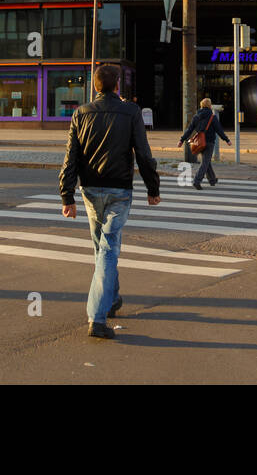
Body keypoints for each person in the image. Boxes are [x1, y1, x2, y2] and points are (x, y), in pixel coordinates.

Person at [59, 64, 161, 339]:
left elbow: (71, 157)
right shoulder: (131, 112)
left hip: (90, 190)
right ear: (117, 86)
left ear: (95, 87)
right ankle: (97, 317)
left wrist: (67, 195)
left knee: (102, 248)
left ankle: (112, 298)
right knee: (108, 249)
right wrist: (153, 188)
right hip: (119, 191)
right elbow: (143, 153)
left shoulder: (81, 113)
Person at [179, 97, 230, 189]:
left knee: (207, 161)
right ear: (210, 106)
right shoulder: (212, 117)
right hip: (209, 142)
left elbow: (189, 129)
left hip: (200, 142)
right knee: (205, 162)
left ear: (201, 106)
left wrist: (182, 140)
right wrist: (227, 140)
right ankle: (197, 181)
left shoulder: (196, 117)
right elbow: (219, 130)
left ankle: (212, 179)